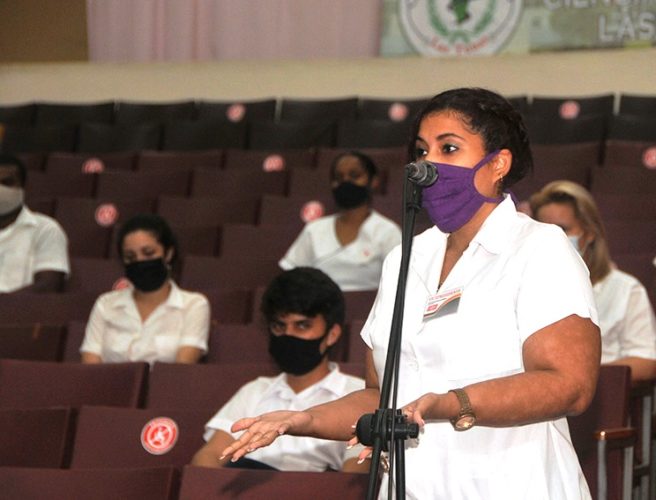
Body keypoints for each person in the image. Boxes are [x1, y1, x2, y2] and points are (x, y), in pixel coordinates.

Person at [219, 88, 601, 499]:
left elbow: (569, 385)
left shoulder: (539, 247)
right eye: (421, 151)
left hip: (512, 484)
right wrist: (302, 421)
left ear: (499, 164)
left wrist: (449, 404)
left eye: (449, 148)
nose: (427, 165)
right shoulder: (406, 257)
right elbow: (378, 396)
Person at [191, 267, 367, 473]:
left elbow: (355, 476)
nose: (287, 335)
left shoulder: (359, 395)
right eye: (279, 327)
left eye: (302, 326)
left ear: (332, 334)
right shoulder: (255, 390)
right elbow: (209, 457)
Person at [530, 180, 656, 381]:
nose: (553, 238)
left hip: (602, 399)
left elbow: (646, 361)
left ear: (588, 233)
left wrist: (581, 377)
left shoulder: (625, 290)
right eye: (546, 230)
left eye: (563, 229)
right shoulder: (527, 287)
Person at [80, 214, 209, 364]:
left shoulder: (194, 305)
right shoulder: (105, 304)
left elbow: (181, 369)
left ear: (168, 254)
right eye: (130, 257)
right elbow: (90, 366)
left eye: (148, 253)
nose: (140, 261)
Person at [279, 151, 401, 291]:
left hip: (372, 309)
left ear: (373, 181)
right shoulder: (314, 229)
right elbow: (292, 277)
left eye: (354, 176)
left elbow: (401, 282)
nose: (346, 182)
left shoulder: (387, 231)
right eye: (339, 177)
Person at [0, 153, 69, 293]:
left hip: (19, 310)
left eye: (6, 183)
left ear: (23, 187)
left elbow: (48, 286)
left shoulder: (46, 229)